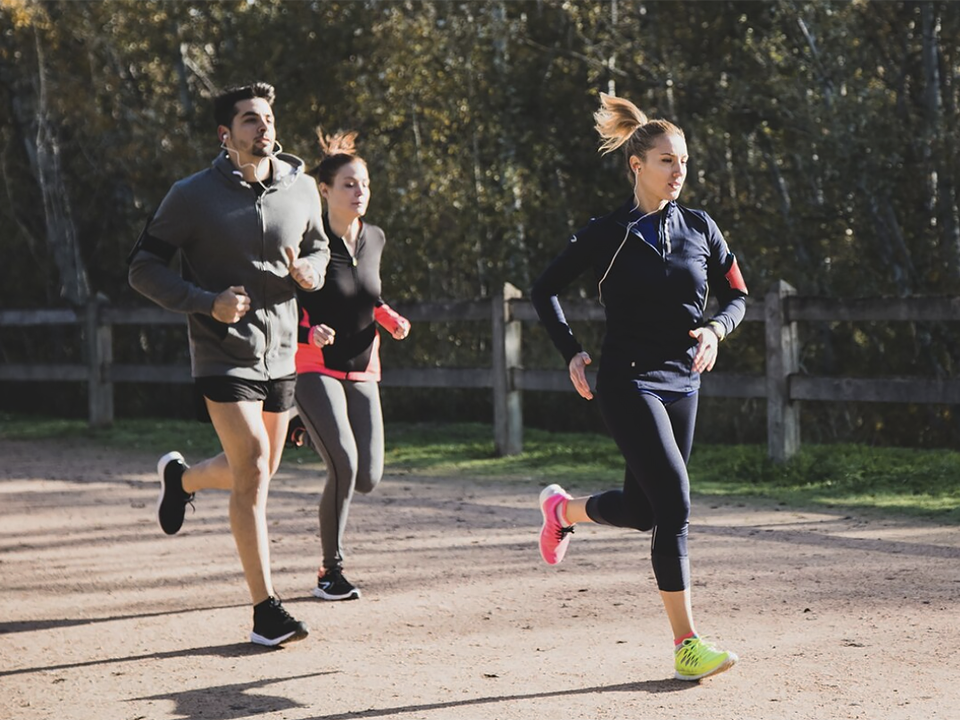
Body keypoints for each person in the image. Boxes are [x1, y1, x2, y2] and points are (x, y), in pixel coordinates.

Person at [531, 93, 748, 681]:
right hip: (627, 382)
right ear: (637, 165)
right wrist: (571, 349)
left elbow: (738, 296)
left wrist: (716, 330)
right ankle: (686, 645)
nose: (679, 172)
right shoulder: (608, 233)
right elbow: (543, 288)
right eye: (666, 162)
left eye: (683, 162)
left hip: (685, 381)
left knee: (645, 510)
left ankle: (563, 510)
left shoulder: (703, 227)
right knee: (675, 501)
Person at [128, 82, 330, 647]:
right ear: (226, 134)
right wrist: (204, 301)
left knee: (258, 472)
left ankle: (183, 478)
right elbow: (142, 268)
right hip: (223, 349)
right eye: (248, 120)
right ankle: (267, 610)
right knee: (254, 464)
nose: (262, 127)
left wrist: (310, 272)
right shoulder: (192, 196)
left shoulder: (303, 188)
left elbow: (319, 248)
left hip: (283, 350)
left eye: (266, 117)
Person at [292, 129, 410, 601]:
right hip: (312, 363)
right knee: (342, 463)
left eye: (363, 184)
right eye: (348, 184)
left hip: (363, 367)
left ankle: (304, 423)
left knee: (367, 477)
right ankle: (330, 571)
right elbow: (284, 305)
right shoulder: (306, 241)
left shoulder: (375, 237)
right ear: (324, 190)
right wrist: (307, 333)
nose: (359, 192)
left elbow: (367, 297)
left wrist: (390, 317)